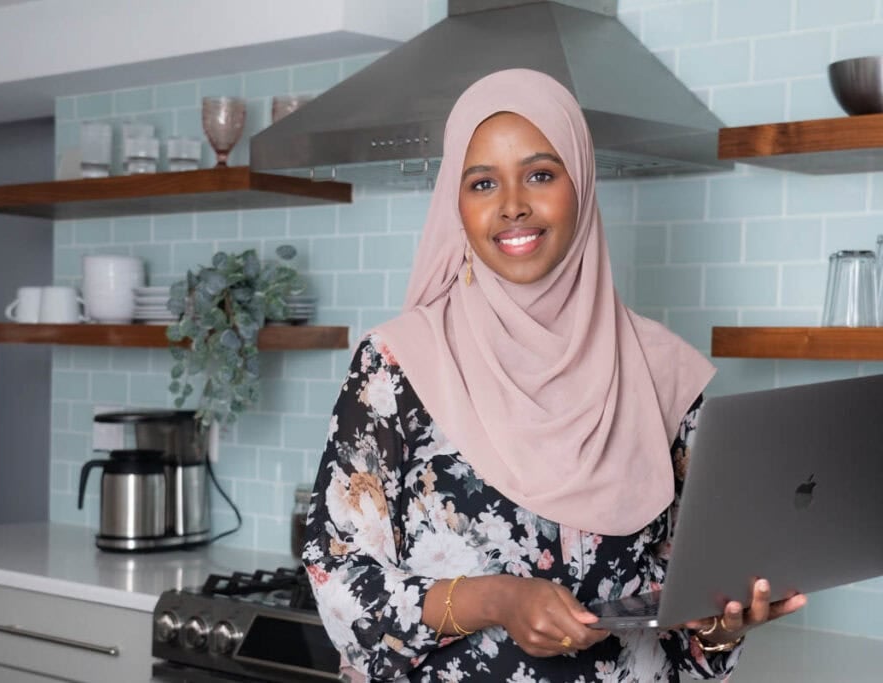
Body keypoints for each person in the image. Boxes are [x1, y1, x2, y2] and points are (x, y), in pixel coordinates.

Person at [301, 69, 805, 683]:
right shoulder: (395, 364)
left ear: (582, 184)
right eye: (483, 182)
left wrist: (721, 627)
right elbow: (341, 579)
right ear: (456, 204)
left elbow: (685, 620)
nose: (513, 204)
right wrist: (496, 599)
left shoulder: (662, 373)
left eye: (540, 174)